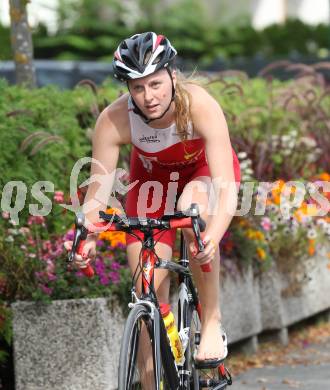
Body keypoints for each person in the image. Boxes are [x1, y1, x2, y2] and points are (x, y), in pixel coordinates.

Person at [65, 32, 240, 368]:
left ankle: (212, 322)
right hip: (152, 183)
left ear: (172, 76)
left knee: (195, 213)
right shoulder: (114, 120)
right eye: (138, 88)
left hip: (203, 174)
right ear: (128, 89)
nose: (148, 97)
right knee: (146, 294)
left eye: (156, 84)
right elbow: (97, 194)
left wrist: (212, 238)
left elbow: (227, 189)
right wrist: (86, 236)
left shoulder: (200, 105)